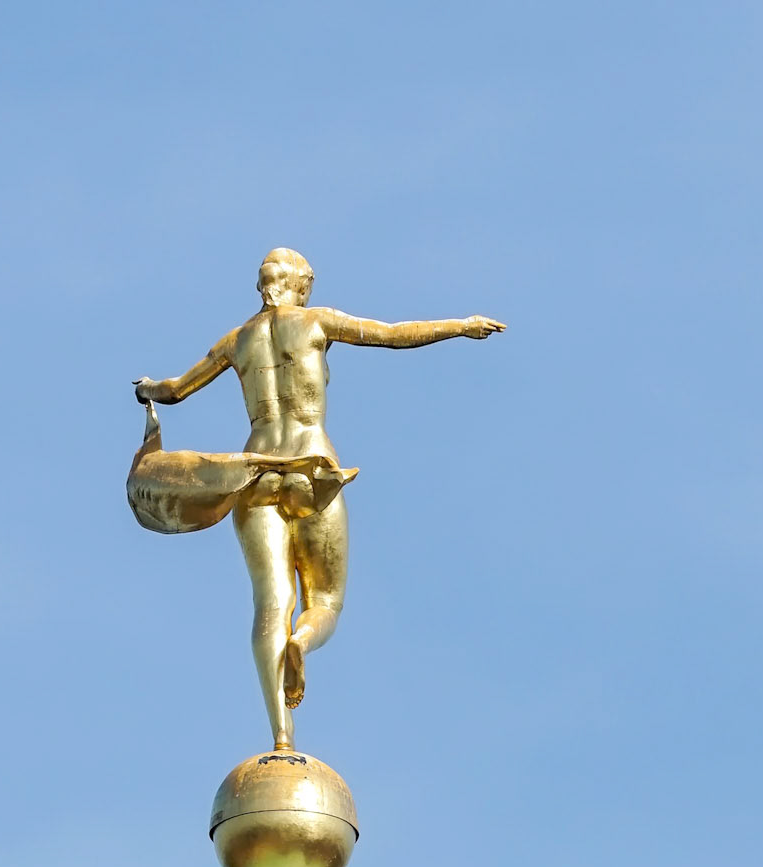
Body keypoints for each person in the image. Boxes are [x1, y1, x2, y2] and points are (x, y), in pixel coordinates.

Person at [133, 248, 504, 751]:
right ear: (302, 285)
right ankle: (301, 642)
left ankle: (280, 732)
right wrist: (461, 325)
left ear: (263, 284)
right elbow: (392, 333)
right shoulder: (315, 321)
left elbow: (175, 389)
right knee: (325, 601)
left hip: (255, 473)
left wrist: (148, 391)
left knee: (270, 602)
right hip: (312, 467)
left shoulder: (236, 341)